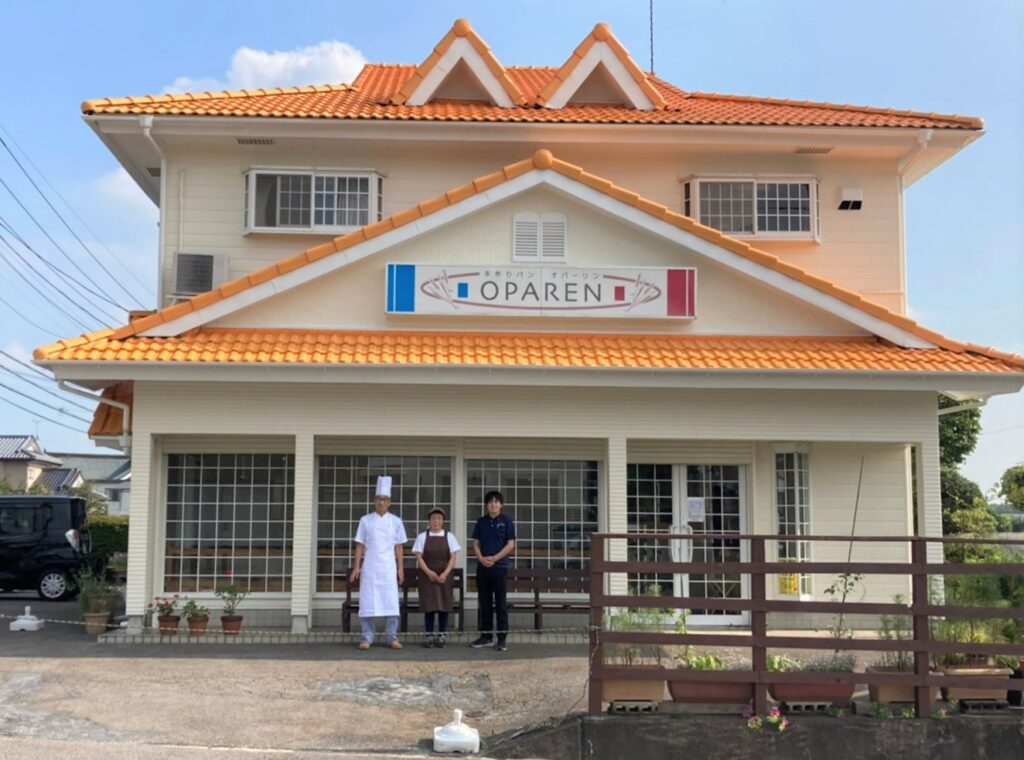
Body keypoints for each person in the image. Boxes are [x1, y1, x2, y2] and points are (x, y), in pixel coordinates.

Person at [351, 475, 407, 650]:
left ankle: (392, 637)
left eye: (384, 499)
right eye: (378, 499)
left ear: (389, 502)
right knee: (368, 601)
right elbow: (360, 545)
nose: (381, 502)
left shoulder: (396, 521)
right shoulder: (365, 520)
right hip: (371, 567)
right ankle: (367, 637)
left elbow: (399, 547)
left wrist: (400, 568)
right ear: (374, 501)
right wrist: (357, 566)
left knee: (390, 601)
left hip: (389, 567)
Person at [470, 490, 516, 652]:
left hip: (500, 567)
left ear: (501, 504)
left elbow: (510, 544)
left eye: (496, 502)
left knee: (501, 603)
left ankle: (502, 638)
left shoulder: (507, 521)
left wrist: (495, 558)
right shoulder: (481, 521)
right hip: (483, 568)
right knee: (485, 603)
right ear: (486, 505)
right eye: (490, 502)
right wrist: (481, 558)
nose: (493, 505)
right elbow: (476, 543)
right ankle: (486, 636)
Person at [412, 508, 461, 648]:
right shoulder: (422, 536)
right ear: (429, 521)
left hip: (444, 576)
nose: (436, 521)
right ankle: (429, 635)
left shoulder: (449, 536)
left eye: (439, 518)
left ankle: (442, 635)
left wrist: (445, 574)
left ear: (443, 521)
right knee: (430, 606)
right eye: (433, 518)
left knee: (443, 606)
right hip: (427, 576)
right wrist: (429, 572)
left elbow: (453, 557)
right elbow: (419, 558)